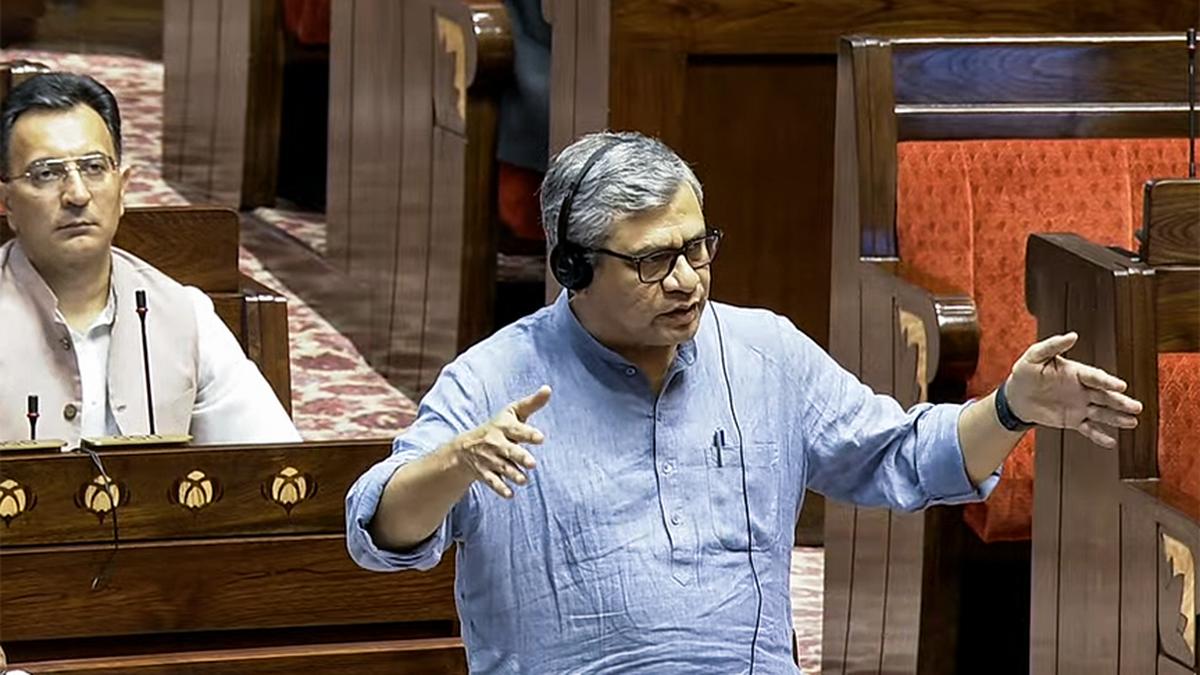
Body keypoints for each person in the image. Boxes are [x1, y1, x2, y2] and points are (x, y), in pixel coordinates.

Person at [346, 131, 1142, 673]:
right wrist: (453, 464)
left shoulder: (764, 352)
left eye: (698, 247)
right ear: (574, 266)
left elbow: (899, 453)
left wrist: (1011, 407)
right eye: (655, 260)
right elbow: (377, 532)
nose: (689, 278)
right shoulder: (494, 381)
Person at [0, 72, 300, 447]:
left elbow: (272, 462)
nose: (76, 194)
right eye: (46, 173)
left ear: (123, 187)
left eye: (94, 168)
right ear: (7, 203)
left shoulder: (183, 315)